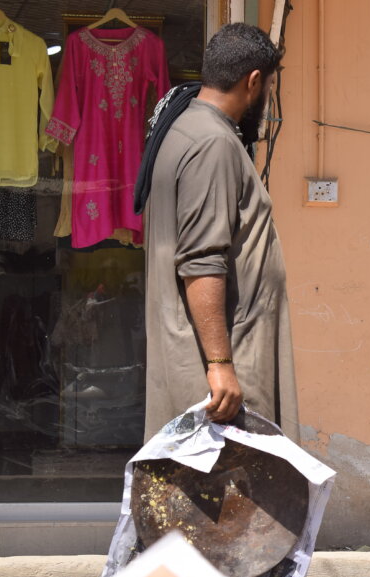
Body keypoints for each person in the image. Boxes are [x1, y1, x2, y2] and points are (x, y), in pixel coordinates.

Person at [140, 23, 298, 440]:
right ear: (253, 82)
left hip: (212, 357)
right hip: (224, 372)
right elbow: (200, 261)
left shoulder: (187, 126)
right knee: (233, 499)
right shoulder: (212, 143)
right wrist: (220, 364)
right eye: (269, 86)